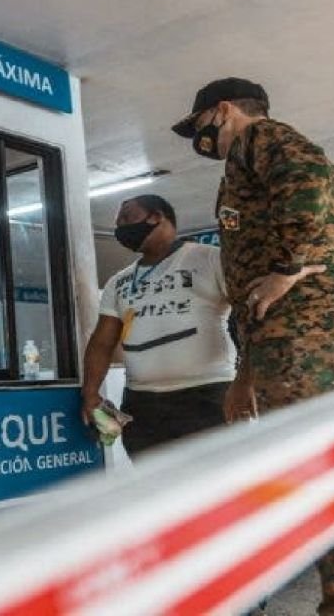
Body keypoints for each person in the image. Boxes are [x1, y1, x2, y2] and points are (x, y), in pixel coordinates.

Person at [172, 77, 334, 613]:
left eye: (199, 126)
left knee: (323, 474)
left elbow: (309, 181)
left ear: (223, 111)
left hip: (302, 334)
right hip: (327, 329)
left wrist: (292, 270)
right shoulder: (295, 165)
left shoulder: (260, 139)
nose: (199, 140)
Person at [79, 194, 246, 457]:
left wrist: (247, 379)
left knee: (214, 484)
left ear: (156, 216)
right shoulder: (117, 282)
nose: (120, 227)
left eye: (126, 217)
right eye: (117, 222)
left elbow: (250, 315)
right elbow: (102, 342)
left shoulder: (209, 259)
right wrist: (90, 394)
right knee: (157, 487)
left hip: (207, 396)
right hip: (142, 404)